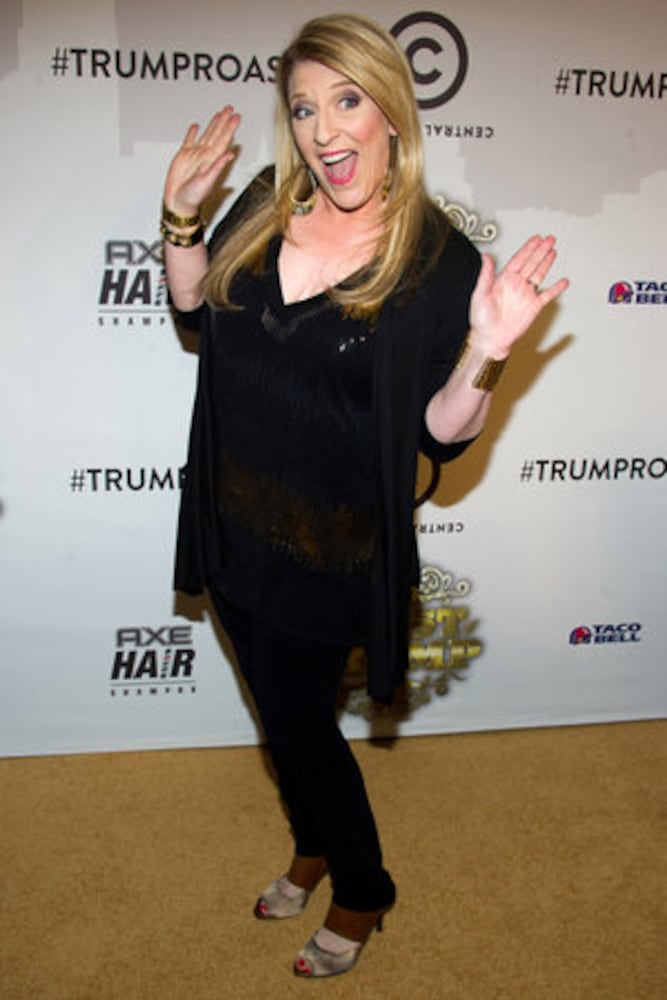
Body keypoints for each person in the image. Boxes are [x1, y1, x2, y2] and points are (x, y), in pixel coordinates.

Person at [161, 13, 568, 979]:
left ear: (390, 109)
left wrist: (487, 349)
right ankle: (309, 844)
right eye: (304, 108)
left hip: (329, 551)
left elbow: (441, 430)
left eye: (346, 100)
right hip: (230, 520)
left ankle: (362, 885)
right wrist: (179, 217)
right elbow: (192, 307)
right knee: (277, 717)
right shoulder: (263, 200)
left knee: (300, 727)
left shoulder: (437, 258)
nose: (324, 129)